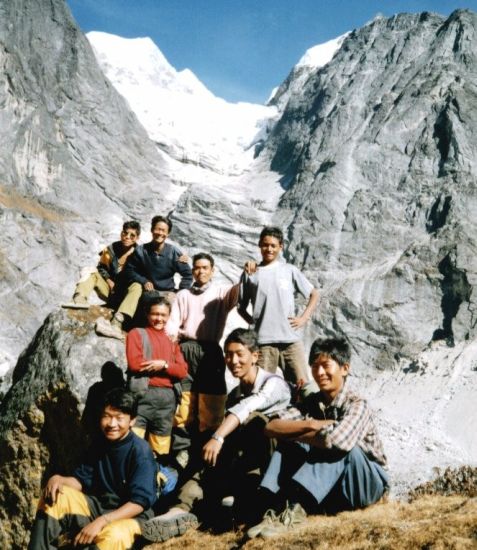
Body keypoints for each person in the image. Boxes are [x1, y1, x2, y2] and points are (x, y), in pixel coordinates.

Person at [140, 328, 291, 543]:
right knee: (206, 462)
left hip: (272, 464)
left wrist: (218, 438)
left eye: (240, 354)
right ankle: (179, 510)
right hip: (242, 460)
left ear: (255, 356)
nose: (233, 361)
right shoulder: (235, 394)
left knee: (253, 420)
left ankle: (246, 505)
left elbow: (248, 408)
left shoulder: (273, 383)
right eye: (228, 354)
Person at [246, 337, 389, 539]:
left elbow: (337, 441)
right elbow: (272, 426)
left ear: (344, 369)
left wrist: (301, 434)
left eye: (325, 366)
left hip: (365, 484)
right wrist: (311, 424)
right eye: (315, 366)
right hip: (334, 487)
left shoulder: (357, 404)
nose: (319, 373)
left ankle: (297, 512)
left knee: (340, 449)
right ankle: (275, 506)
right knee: (289, 442)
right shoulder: (311, 403)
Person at [28, 388, 158, 550]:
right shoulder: (99, 443)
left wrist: (102, 521)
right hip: (99, 508)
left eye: (119, 418)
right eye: (106, 416)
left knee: (113, 536)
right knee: (55, 497)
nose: (111, 424)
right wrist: (58, 479)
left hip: (132, 517)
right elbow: (81, 481)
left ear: (132, 421)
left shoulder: (140, 451)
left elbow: (139, 503)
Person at [166, 252, 239, 467]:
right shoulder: (183, 295)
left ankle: (209, 450)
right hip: (186, 348)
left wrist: (247, 275)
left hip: (210, 351)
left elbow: (237, 294)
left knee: (212, 403)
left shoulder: (220, 293)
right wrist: (170, 344)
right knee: (185, 403)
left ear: (212, 270)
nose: (200, 271)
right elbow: (173, 322)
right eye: (197, 267)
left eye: (205, 267)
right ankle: (183, 451)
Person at [238, 226, 319, 386]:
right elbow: (240, 307)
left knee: (303, 387)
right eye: (265, 245)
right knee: (261, 388)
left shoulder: (289, 270)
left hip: (290, 340)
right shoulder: (251, 272)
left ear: (280, 246)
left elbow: (314, 294)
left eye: (273, 245)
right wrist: (254, 324)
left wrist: (303, 318)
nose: (269, 249)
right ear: (260, 245)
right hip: (263, 343)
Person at [96, 215, 191, 339]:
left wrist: (180, 292)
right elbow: (129, 270)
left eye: (163, 230)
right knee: (150, 301)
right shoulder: (141, 251)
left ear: (168, 233)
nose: (160, 233)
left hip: (168, 292)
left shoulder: (174, 252)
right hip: (148, 291)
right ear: (152, 230)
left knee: (177, 304)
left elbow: (188, 275)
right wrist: (143, 280)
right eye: (157, 229)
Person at [126, 296, 188, 461]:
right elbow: (135, 364)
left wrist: (164, 365)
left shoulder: (172, 341)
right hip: (143, 395)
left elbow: (182, 371)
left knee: (159, 448)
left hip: (167, 400)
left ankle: (154, 479)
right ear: (147, 314)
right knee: (133, 443)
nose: (159, 318)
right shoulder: (137, 334)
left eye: (163, 315)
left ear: (169, 316)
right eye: (155, 314)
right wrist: (169, 369)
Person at [62, 220, 141, 309]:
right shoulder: (111, 249)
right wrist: (108, 280)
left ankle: (122, 314)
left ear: (137, 238)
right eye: (125, 233)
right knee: (90, 271)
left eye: (132, 235)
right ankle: (79, 298)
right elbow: (101, 267)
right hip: (110, 291)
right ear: (121, 233)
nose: (127, 237)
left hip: (126, 295)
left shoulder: (140, 254)